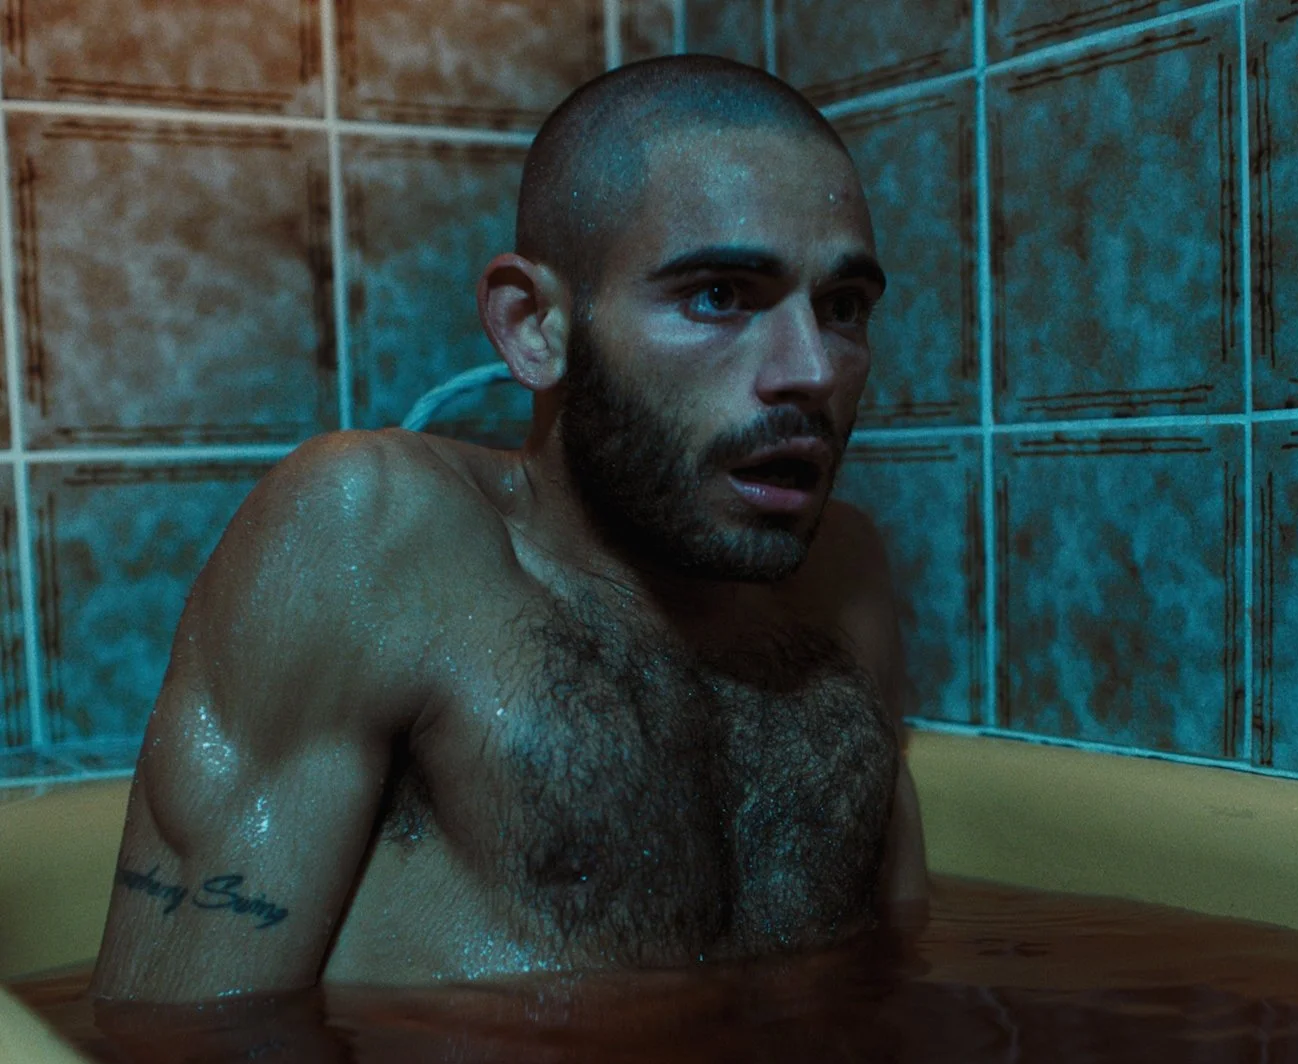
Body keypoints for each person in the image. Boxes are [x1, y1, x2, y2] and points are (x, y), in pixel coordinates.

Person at [89, 53, 927, 1003]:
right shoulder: (374, 533)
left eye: (844, 307)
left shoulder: (840, 579)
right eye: (719, 296)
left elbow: (901, 978)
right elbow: (187, 1041)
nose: (811, 370)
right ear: (534, 327)